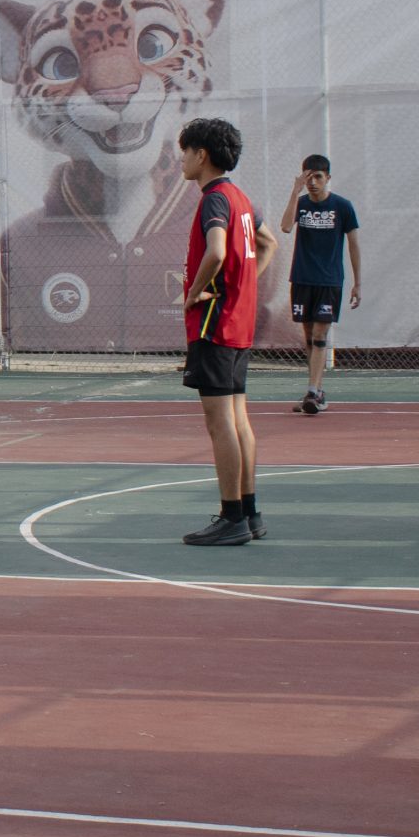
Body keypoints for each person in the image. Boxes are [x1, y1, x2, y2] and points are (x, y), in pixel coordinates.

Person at [176, 117, 275, 546]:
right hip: (238, 321)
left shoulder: (214, 200)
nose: (181, 159)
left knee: (220, 425)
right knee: (239, 421)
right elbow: (269, 243)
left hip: (215, 323)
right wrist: (246, 282)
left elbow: (216, 252)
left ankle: (231, 515)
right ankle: (249, 512)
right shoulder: (242, 198)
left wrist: (195, 293)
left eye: (184, 151)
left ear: (202, 155)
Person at [279, 156, 362, 415]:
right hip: (303, 278)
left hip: (329, 281)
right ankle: (317, 389)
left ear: (328, 178)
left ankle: (313, 392)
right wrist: (295, 191)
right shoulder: (301, 204)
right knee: (309, 337)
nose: (313, 182)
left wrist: (357, 283)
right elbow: (284, 227)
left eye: (318, 177)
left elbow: (354, 245)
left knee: (319, 336)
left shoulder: (342, 207)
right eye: (308, 177)